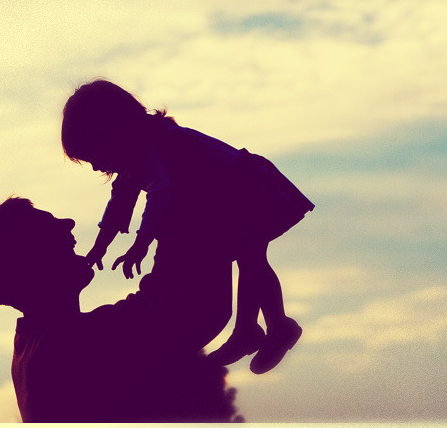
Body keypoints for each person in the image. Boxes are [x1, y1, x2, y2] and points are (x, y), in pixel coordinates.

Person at [61, 79, 314, 374]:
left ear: (113, 132)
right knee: (249, 258)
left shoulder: (160, 145)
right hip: (221, 197)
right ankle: (249, 331)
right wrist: (100, 245)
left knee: (252, 260)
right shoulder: (135, 156)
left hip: (244, 188)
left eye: (94, 155)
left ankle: (276, 327)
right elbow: (121, 199)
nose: (94, 166)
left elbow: (160, 194)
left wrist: (141, 244)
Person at [0, 197, 240, 422]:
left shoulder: (37, 346)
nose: (68, 223)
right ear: (31, 261)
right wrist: (197, 207)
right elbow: (202, 310)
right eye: (49, 226)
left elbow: (160, 300)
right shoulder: (71, 343)